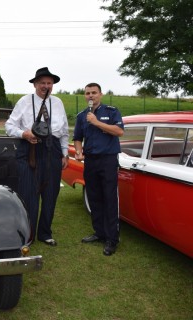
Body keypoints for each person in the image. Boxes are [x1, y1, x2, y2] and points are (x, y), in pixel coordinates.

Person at [5, 67, 69, 246]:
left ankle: (45, 233)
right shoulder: (24, 101)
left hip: (53, 149)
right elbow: (9, 126)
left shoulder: (58, 103)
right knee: (28, 193)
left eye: (49, 83)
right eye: (42, 83)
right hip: (29, 150)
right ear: (35, 84)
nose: (46, 86)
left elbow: (63, 131)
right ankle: (28, 234)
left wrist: (64, 153)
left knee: (51, 194)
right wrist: (24, 134)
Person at [73, 83, 124, 256]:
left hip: (108, 160)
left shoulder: (111, 111)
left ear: (100, 94)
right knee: (94, 197)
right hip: (91, 161)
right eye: (87, 93)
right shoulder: (82, 116)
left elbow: (119, 131)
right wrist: (79, 151)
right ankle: (99, 233)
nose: (90, 96)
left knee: (109, 198)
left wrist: (96, 122)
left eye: (94, 93)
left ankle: (112, 239)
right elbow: (77, 138)